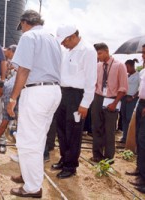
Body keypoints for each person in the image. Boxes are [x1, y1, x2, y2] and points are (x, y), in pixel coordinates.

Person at [7, 10, 62, 198]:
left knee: (27, 140)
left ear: (24, 23)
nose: (21, 30)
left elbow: (23, 69)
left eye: (21, 27)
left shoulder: (29, 36)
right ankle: (29, 176)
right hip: (53, 90)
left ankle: (32, 187)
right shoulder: (52, 38)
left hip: (37, 91)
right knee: (36, 139)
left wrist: (13, 98)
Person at [51, 24, 97, 179]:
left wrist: (85, 104)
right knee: (62, 130)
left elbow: (91, 80)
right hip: (63, 94)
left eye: (64, 41)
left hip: (77, 96)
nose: (63, 44)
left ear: (72, 37)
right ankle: (64, 159)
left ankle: (71, 166)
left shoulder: (88, 51)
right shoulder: (67, 51)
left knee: (73, 132)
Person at [91, 43, 128, 163]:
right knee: (96, 128)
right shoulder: (98, 66)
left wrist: (115, 103)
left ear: (107, 51)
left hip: (112, 99)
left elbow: (123, 87)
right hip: (98, 98)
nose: (98, 56)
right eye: (96, 54)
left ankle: (109, 157)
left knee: (109, 130)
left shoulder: (119, 66)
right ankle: (97, 154)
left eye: (100, 53)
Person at [127, 44, 145, 194]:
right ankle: (140, 171)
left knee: (144, 139)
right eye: (143, 53)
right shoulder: (143, 71)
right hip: (141, 104)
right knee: (140, 139)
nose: (143, 56)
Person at [120, 59, 140, 143]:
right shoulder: (127, 75)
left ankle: (130, 138)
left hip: (132, 99)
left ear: (132, 66)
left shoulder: (139, 76)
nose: (126, 69)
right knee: (124, 118)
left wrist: (133, 97)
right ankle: (124, 137)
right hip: (124, 98)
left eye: (127, 67)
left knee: (129, 118)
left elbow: (140, 89)